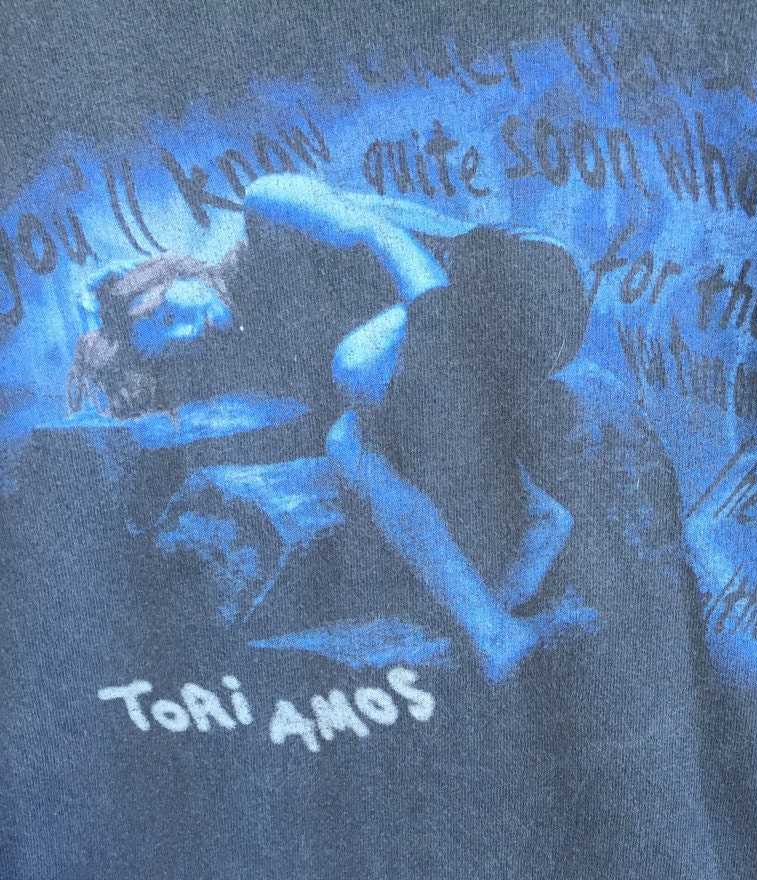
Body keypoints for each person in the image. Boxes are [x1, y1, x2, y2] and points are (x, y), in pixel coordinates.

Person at [67, 175, 597, 680]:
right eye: (173, 350)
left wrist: (433, 330)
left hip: (516, 277)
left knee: (356, 365)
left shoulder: (267, 206)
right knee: (345, 443)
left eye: (167, 315)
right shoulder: (257, 344)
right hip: (486, 356)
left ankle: (524, 510)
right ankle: (496, 627)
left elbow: (383, 236)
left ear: (173, 274)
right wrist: (99, 330)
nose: (187, 335)